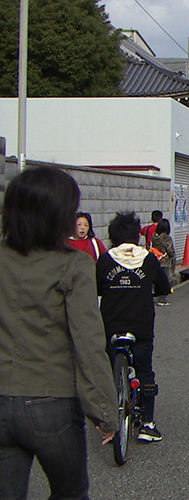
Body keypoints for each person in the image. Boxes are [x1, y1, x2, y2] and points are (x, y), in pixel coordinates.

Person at [1, 167, 117, 499]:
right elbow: (88, 342)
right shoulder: (74, 264)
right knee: (71, 493)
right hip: (51, 403)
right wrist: (106, 413)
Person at [98, 211, 171, 442]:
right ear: (137, 236)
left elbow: (97, 288)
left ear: (112, 236)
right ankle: (147, 424)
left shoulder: (105, 259)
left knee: (109, 372)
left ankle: (108, 416)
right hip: (140, 326)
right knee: (144, 370)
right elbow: (163, 286)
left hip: (111, 326)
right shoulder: (148, 258)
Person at [150, 218, 176, 306]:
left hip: (155, 261)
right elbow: (170, 251)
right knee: (164, 281)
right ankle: (162, 299)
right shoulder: (167, 238)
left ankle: (152, 297)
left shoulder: (154, 237)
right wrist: (173, 258)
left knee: (154, 281)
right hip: (165, 262)